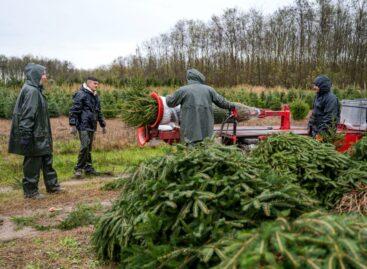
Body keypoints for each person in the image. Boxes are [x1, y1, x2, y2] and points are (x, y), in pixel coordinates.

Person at [8, 63, 61, 199]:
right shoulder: (31, 91)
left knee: (47, 160)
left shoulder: (36, 90)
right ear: (36, 74)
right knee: (33, 163)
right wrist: (25, 135)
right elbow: (27, 115)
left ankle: (53, 187)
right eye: (43, 73)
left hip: (41, 135)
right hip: (34, 136)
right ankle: (30, 192)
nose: (45, 76)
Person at [166, 68, 235, 144]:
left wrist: (167, 97)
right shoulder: (209, 90)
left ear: (189, 78)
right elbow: (222, 102)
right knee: (206, 146)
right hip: (206, 128)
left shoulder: (183, 90)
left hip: (189, 128)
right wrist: (232, 105)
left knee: (191, 150)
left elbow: (170, 103)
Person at [69, 77, 106, 178]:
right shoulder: (81, 94)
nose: (96, 85)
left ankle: (88, 168)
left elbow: (98, 111)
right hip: (83, 125)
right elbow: (74, 110)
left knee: (88, 148)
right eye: (95, 84)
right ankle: (78, 168)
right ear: (89, 83)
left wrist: (103, 124)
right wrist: (72, 125)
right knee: (85, 146)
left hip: (92, 125)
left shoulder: (95, 96)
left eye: (97, 84)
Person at [308, 75, 340, 141]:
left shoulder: (331, 99)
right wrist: (310, 127)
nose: (314, 87)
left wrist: (321, 134)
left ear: (322, 86)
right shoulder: (318, 96)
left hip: (325, 134)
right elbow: (314, 113)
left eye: (316, 85)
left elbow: (330, 119)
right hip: (315, 131)